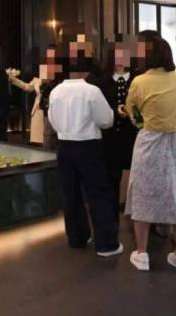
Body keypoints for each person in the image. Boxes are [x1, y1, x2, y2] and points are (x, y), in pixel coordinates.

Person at [125, 34, 176, 273]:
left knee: (143, 195)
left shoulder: (140, 81)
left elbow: (133, 113)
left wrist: (142, 122)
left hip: (150, 141)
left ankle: (142, 254)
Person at [47, 59, 121, 257]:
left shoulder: (55, 92)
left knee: (70, 194)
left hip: (64, 146)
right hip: (89, 146)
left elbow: (52, 121)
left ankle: (77, 237)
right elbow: (106, 120)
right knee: (98, 194)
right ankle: (106, 245)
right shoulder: (92, 91)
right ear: (86, 71)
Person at [98, 39, 139, 212]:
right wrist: (115, 112)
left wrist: (133, 112)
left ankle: (137, 213)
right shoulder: (102, 81)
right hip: (110, 137)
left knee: (137, 177)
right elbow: (99, 108)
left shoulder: (137, 79)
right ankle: (112, 215)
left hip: (134, 136)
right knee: (111, 178)